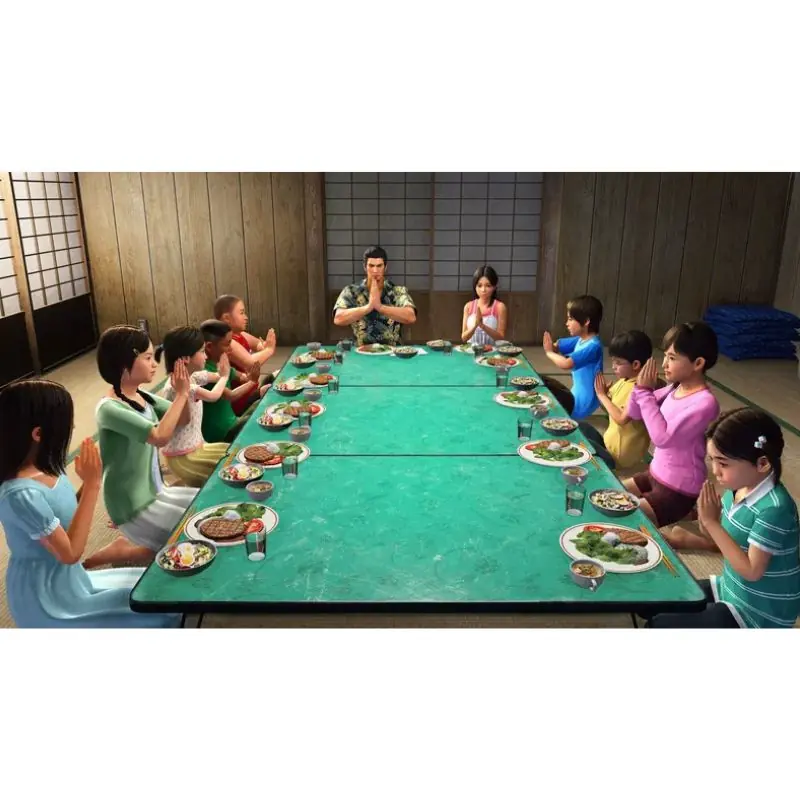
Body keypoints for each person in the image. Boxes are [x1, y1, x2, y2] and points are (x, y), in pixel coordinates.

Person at [0, 379, 180, 627]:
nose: (73, 427)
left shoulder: (44, 465)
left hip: (71, 578)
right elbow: (71, 553)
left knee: (161, 589)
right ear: (38, 434)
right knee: (158, 615)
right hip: (48, 596)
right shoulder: (19, 495)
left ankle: (120, 551)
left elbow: (63, 513)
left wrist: (91, 479)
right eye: (65, 424)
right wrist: (93, 485)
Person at [646, 408, 800, 628]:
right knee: (653, 602)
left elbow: (752, 571)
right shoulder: (739, 486)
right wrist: (706, 521)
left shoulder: (774, 509)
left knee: (659, 625)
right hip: (730, 586)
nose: (716, 471)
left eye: (723, 463)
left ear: (762, 463)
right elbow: (726, 541)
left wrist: (711, 523)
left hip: (759, 611)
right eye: (712, 461)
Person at [84, 324, 198, 569]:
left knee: (201, 507)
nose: (155, 364)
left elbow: (184, 419)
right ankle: (122, 551)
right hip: (132, 503)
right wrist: (180, 395)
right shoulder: (109, 408)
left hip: (155, 489)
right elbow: (159, 437)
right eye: (147, 358)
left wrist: (184, 391)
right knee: (188, 535)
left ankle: (127, 549)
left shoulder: (142, 396)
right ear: (123, 364)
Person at [622, 322, 721, 538]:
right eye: (665, 356)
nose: (664, 364)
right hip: (655, 473)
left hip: (678, 489)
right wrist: (639, 387)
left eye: (672, 358)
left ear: (698, 363)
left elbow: (662, 438)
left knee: (626, 523)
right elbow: (635, 412)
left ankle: (687, 516)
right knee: (609, 493)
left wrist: (645, 393)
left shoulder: (705, 403)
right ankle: (691, 516)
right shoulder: (674, 388)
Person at [155, 325, 231, 488]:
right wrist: (225, 377)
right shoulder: (180, 386)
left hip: (196, 447)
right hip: (184, 457)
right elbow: (213, 396)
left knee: (232, 452)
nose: (206, 356)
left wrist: (220, 373)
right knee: (226, 472)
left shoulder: (191, 376)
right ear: (186, 358)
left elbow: (213, 376)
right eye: (202, 351)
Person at [200, 319, 268, 444]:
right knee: (261, 419)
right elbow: (231, 396)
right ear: (209, 347)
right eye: (227, 344)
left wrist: (250, 376)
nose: (231, 349)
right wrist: (252, 382)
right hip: (222, 433)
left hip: (234, 421)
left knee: (264, 396)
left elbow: (243, 377)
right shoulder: (205, 373)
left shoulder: (221, 362)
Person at [332, 245, 417, 346]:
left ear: (385, 267)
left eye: (379, 266)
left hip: (393, 350)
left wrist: (380, 307)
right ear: (365, 267)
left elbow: (411, 317)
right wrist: (368, 308)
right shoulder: (351, 291)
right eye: (371, 266)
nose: (375, 271)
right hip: (360, 349)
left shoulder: (397, 291)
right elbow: (338, 319)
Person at [593, 330, 653, 469]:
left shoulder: (638, 389)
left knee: (581, 443)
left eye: (618, 363)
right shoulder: (624, 380)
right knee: (582, 429)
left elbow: (621, 419)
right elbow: (610, 408)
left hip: (620, 456)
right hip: (610, 446)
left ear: (636, 364)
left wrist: (602, 395)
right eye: (613, 361)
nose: (613, 366)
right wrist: (605, 395)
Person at [542, 295, 604, 420]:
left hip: (583, 401)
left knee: (546, 393)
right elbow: (558, 346)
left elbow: (567, 364)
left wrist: (549, 353)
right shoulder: (580, 339)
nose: (567, 323)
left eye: (570, 319)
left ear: (586, 321)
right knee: (542, 382)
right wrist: (552, 347)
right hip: (576, 393)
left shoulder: (593, 346)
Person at [213, 294, 277, 416]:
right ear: (226, 318)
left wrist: (264, 346)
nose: (246, 317)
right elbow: (250, 363)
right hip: (241, 401)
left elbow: (258, 344)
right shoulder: (226, 342)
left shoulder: (240, 334)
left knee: (276, 377)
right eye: (241, 313)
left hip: (251, 391)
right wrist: (268, 350)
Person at [461, 265, 508, 345]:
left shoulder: (500, 307)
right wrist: (475, 326)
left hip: (492, 351)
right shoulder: (468, 306)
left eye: (488, 286)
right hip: (471, 350)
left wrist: (483, 326)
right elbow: (464, 338)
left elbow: (501, 338)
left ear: (494, 287)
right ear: (475, 286)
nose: (483, 290)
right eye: (479, 286)